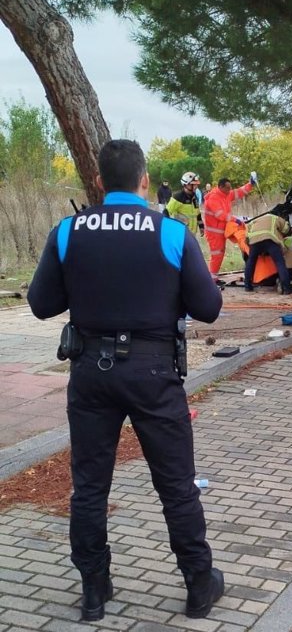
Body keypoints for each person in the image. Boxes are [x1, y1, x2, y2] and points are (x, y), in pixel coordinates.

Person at [26, 139, 225, 623]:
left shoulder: (70, 231)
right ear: (143, 179)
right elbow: (209, 308)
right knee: (176, 485)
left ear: (99, 182)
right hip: (154, 372)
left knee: (89, 487)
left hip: (90, 371)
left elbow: (40, 304)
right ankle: (199, 585)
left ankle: (94, 589)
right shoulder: (172, 231)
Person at [204, 174, 256, 285]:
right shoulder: (213, 198)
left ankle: (213, 278)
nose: (230, 190)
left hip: (221, 230)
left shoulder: (225, 194)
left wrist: (250, 184)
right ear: (221, 187)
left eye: (230, 187)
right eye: (227, 188)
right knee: (217, 255)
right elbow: (220, 215)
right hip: (214, 232)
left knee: (219, 255)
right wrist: (235, 219)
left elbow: (239, 192)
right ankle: (212, 280)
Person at [244, 213, 292, 294]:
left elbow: (246, 236)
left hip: (254, 241)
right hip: (269, 240)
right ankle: (286, 288)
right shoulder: (276, 217)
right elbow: (286, 229)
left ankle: (247, 286)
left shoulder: (254, 221)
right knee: (279, 262)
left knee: (251, 261)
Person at [165, 172, 204, 237]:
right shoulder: (178, 197)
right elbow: (166, 212)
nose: (196, 187)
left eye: (196, 184)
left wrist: (201, 226)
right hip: (180, 233)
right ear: (186, 184)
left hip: (192, 233)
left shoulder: (195, 197)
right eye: (193, 184)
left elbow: (197, 213)